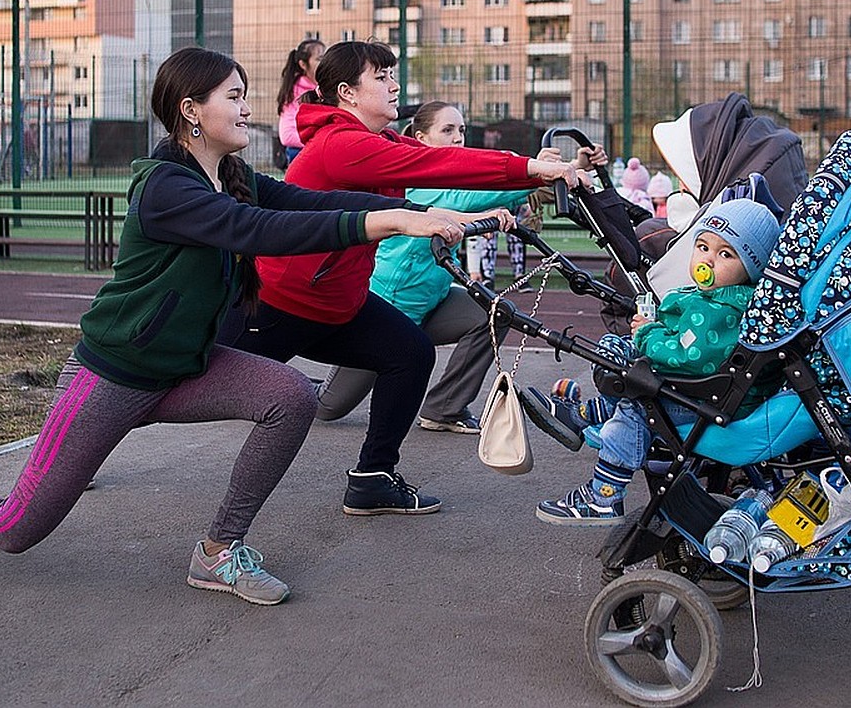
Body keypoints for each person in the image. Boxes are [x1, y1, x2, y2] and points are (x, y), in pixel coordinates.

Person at [0, 46, 466, 605]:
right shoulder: (166, 189)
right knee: (13, 528)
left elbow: (301, 202)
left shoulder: (231, 174)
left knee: (291, 397)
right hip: (116, 376)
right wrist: (390, 219)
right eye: (235, 97)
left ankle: (220, 549)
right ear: (191, 110)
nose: (248, 109)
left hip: (187, 368)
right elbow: (259, 230)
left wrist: (412, 212)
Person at [222, 40, 595, 517]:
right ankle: (94, 418)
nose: (394, 84)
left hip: (339, 304)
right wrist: (533, 168)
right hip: (279, 304)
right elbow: (436, 164)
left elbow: (450, 165)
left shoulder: (377, 141)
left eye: (392, 74)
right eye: (381, 76)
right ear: (348, 93)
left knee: (409, 352)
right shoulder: (342, 145)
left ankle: (373, 478)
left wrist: (540, 174)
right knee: (173, 379)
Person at [523, 198, 781, 525]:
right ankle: (586, 415)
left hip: (706, 398)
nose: (708, 261)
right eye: (702, 247)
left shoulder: (719, 312)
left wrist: (648, 334)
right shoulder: (716, 297)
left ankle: (605, 495)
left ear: (750, 268)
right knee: (617, 353)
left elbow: (687, 356)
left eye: (726, 255)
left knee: (636, 399)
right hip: (710, 389)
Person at [316, 101, 564, 432]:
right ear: (421, 138)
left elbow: (478, 193)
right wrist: (531, 173)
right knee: (327, 406)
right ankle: (281, 383)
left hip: (431, 302)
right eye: (447, 131)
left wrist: (565, 167)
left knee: (493, 314)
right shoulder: (413, 180)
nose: (457, 138)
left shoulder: (455, 179)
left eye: (461, 130)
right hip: (389, 311)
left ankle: (444, 409)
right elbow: (462, 201)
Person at [276, 38, 325, 166]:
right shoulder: (295, 92)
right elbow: (287, 135)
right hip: (300, 150)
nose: (324, 63)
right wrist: (319, 142)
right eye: (319, 59)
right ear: (303, 64)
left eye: (325, 57)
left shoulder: (324, 88)